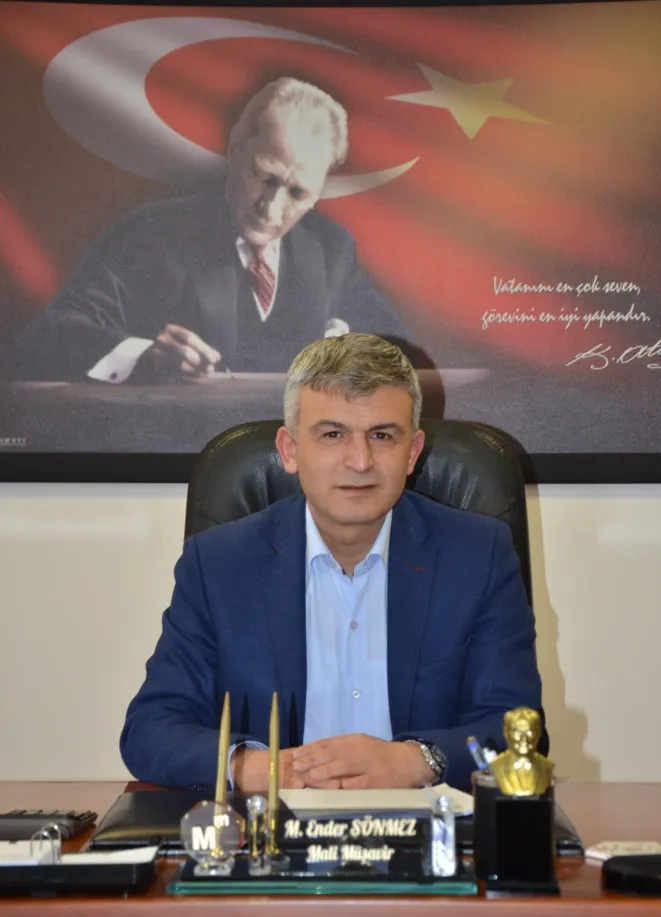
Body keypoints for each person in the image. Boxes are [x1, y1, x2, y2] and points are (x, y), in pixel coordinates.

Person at [120, 333, 547, 794]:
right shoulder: (218, 565)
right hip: (275, 828)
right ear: (289, 450)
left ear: (412, 452)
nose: (360, 461)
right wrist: (263, 769)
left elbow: (518, 729)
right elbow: (151, 729)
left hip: (424, 825)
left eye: (382, 435)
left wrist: (416, 760)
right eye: (332, 434)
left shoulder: (478, 556)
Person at [14, 78, 410, 384]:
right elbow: (52, 334)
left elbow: (399, 350)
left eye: (297, 193)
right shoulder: (150, 232)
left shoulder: (330, 248)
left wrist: (347, 344)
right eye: (265, 177)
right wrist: (144, 356)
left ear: (318, 192)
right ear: (235, 149)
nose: (271, 208)